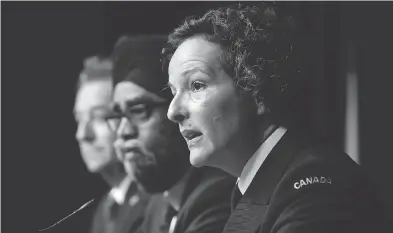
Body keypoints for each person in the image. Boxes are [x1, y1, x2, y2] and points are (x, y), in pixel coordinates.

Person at [162, 3, 390, 233]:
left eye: (197, 85)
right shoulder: (261, 185)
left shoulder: (315, 192)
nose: (173, 111)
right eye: (173, 92)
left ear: (259, 91)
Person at [108, 35, 235, 233]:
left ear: (175, 111)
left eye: (139, 110)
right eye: (118, 115)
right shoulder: (156, 204)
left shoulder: (216, 195)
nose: (124, 132)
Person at [74, 56, 149, 233]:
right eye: (78, 119)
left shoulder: (159, 199)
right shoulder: (104, 211)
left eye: (100, 117)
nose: (82, 135)